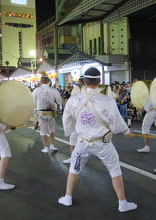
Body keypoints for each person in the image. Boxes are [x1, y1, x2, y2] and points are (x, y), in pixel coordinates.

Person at [58, 67, 137, 212]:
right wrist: (126, 131)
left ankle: (67, 197)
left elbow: (66, 119)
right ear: (99, 81)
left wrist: (70, 130)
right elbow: (116, 121)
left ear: (83, 81)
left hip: (82, 142)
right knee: (114, 170)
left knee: (74, 169)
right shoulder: (107, 100)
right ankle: (122, 203)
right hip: (103, 143)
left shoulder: (74, 99)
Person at [32, 74, 62, 153]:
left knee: (43, 131)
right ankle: (52, 145)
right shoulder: (53, 90)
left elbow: (33, 102)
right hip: (51, 112)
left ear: (40, 82)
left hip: (41, 112)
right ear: (48, 82)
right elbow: (59, 101)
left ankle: (46, 147)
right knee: (52, 129)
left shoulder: (36, 90)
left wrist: (34, 115)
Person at [63, 76, 85, 164]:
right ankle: (77, 157)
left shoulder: (77, 90)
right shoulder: (93, 90)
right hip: (89, 119)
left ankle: (75, 159)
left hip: (81, 118)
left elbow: (73, 104)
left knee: (75, 137)